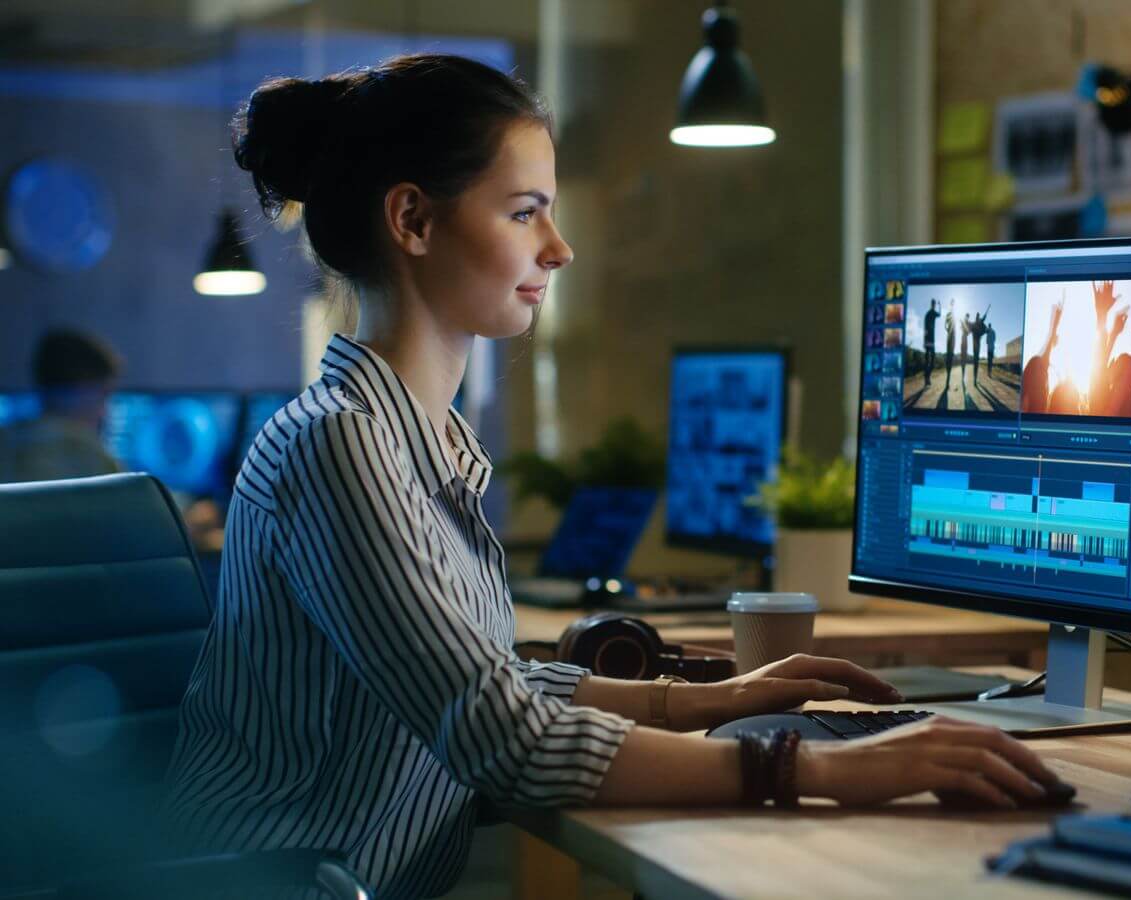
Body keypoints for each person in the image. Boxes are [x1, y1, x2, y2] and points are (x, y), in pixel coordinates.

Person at [160, 54, 1057, 900]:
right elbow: (499, 734)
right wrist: (817, 765)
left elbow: (491, 682)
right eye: (524, 212)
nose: (559, 249)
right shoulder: (340, 446)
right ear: (414, 221)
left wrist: (715, 699)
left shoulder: (408, 442)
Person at [0, 329, 122, 483]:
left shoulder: (5, 440)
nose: (104, 412)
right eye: (105, 395)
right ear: (82, 388)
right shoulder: (90, 456)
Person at [922, 298, 939, 383]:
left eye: (934, 304)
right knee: (929, 360)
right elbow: (925, 328)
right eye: (934, 304)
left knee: (930, 360)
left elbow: (939, 314)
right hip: (929, 340)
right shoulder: (930, 313)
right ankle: (927, 378)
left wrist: (940, 306)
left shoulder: (930, 313)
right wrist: (924, 341)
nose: (934, 305)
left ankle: (927, 376)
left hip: (930, 339)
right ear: (932, 304)